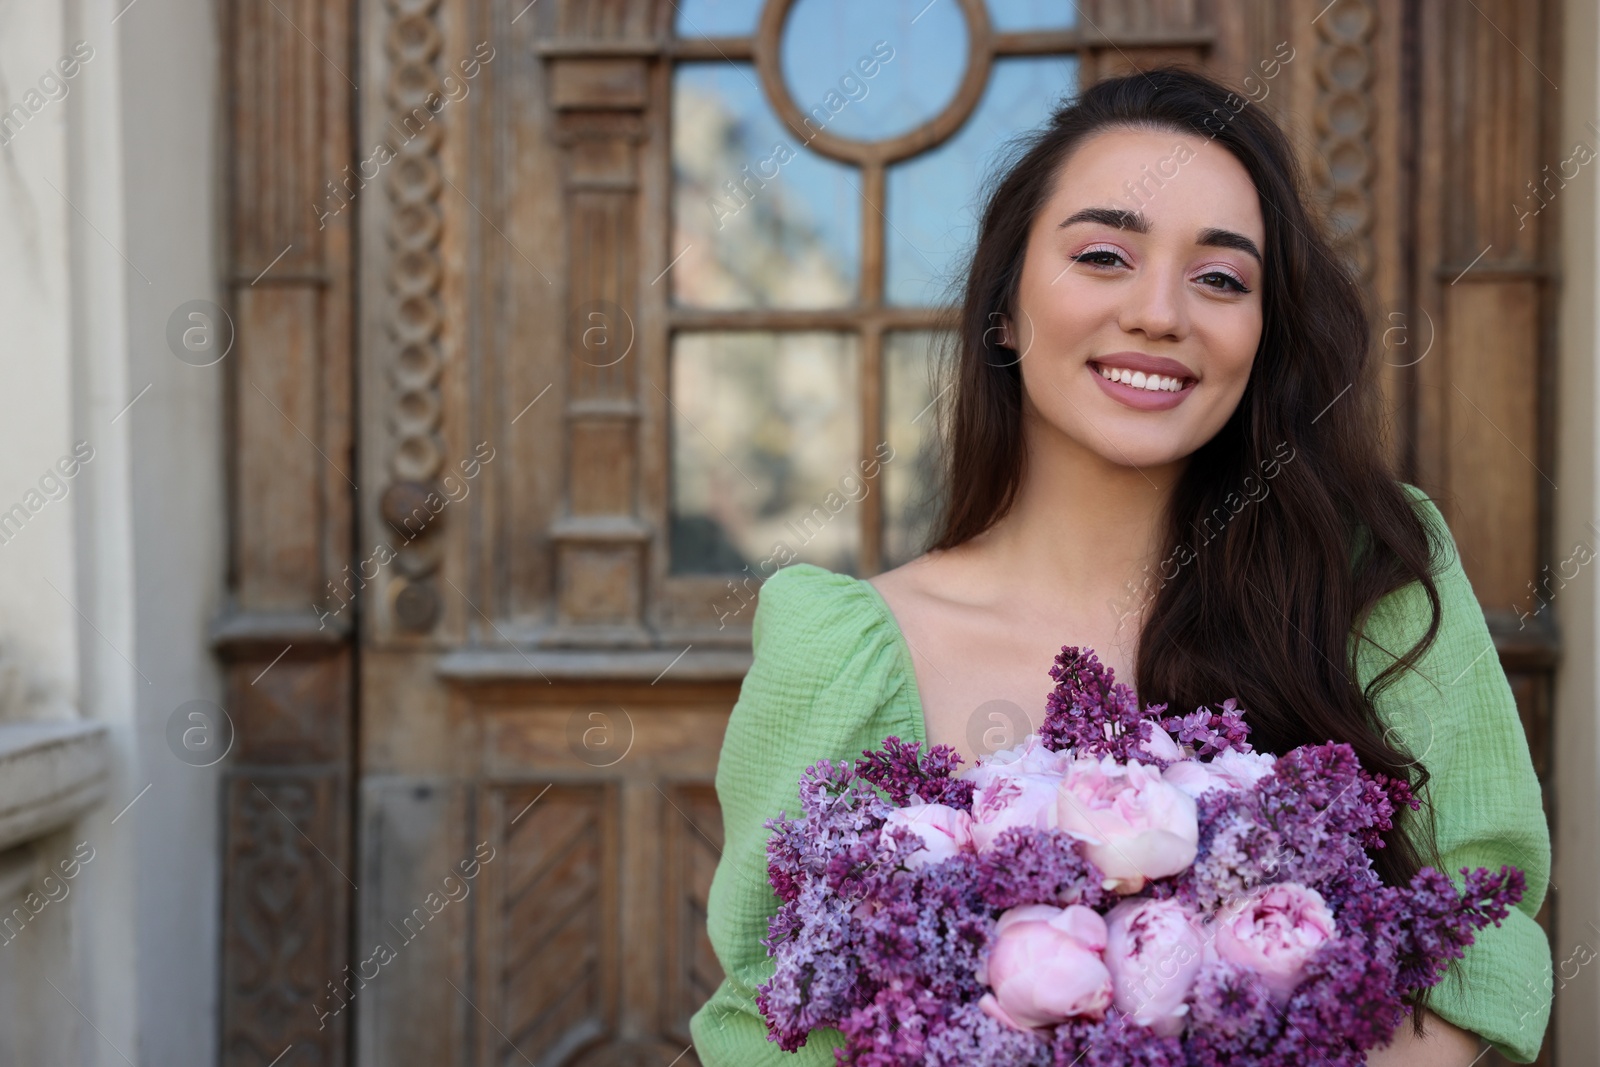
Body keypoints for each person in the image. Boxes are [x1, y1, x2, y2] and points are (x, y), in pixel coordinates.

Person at [689, 67, 1550, 1066]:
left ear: (1262, 336)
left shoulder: (1374, 575)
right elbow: (770, 1011)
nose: (1159, 311)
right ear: (1004, 309)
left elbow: (1482, 912)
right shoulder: (839, 651)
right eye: (1103, 255)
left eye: (1220, 277)